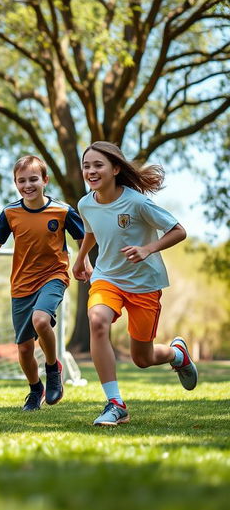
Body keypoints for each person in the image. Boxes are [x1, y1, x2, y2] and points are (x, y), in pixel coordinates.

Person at [72, 141, 197, 427]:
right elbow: (91, 230)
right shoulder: (86, 203)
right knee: (97, 320)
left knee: (143, 357)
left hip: (144, 284)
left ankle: (177, 354)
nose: (91, 171)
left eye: (98, 165)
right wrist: (81, 260)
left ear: (116, 169)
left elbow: (179, 231)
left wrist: (147, 249)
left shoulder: (137, 202)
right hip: (108, 277)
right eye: (86, 165)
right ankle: (115, 404)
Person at [0, 155, 85, 411]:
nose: (28, 185)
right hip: (21, 284)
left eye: (33, 179)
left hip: (53, 276)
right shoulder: (10, 213)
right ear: (16, 183)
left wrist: (84, 262)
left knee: (41, 320)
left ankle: (53, 368)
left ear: (45, 180)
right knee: (25, 348)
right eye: (22, 181)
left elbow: (84, 238)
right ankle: (35, 388)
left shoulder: (62, 211)